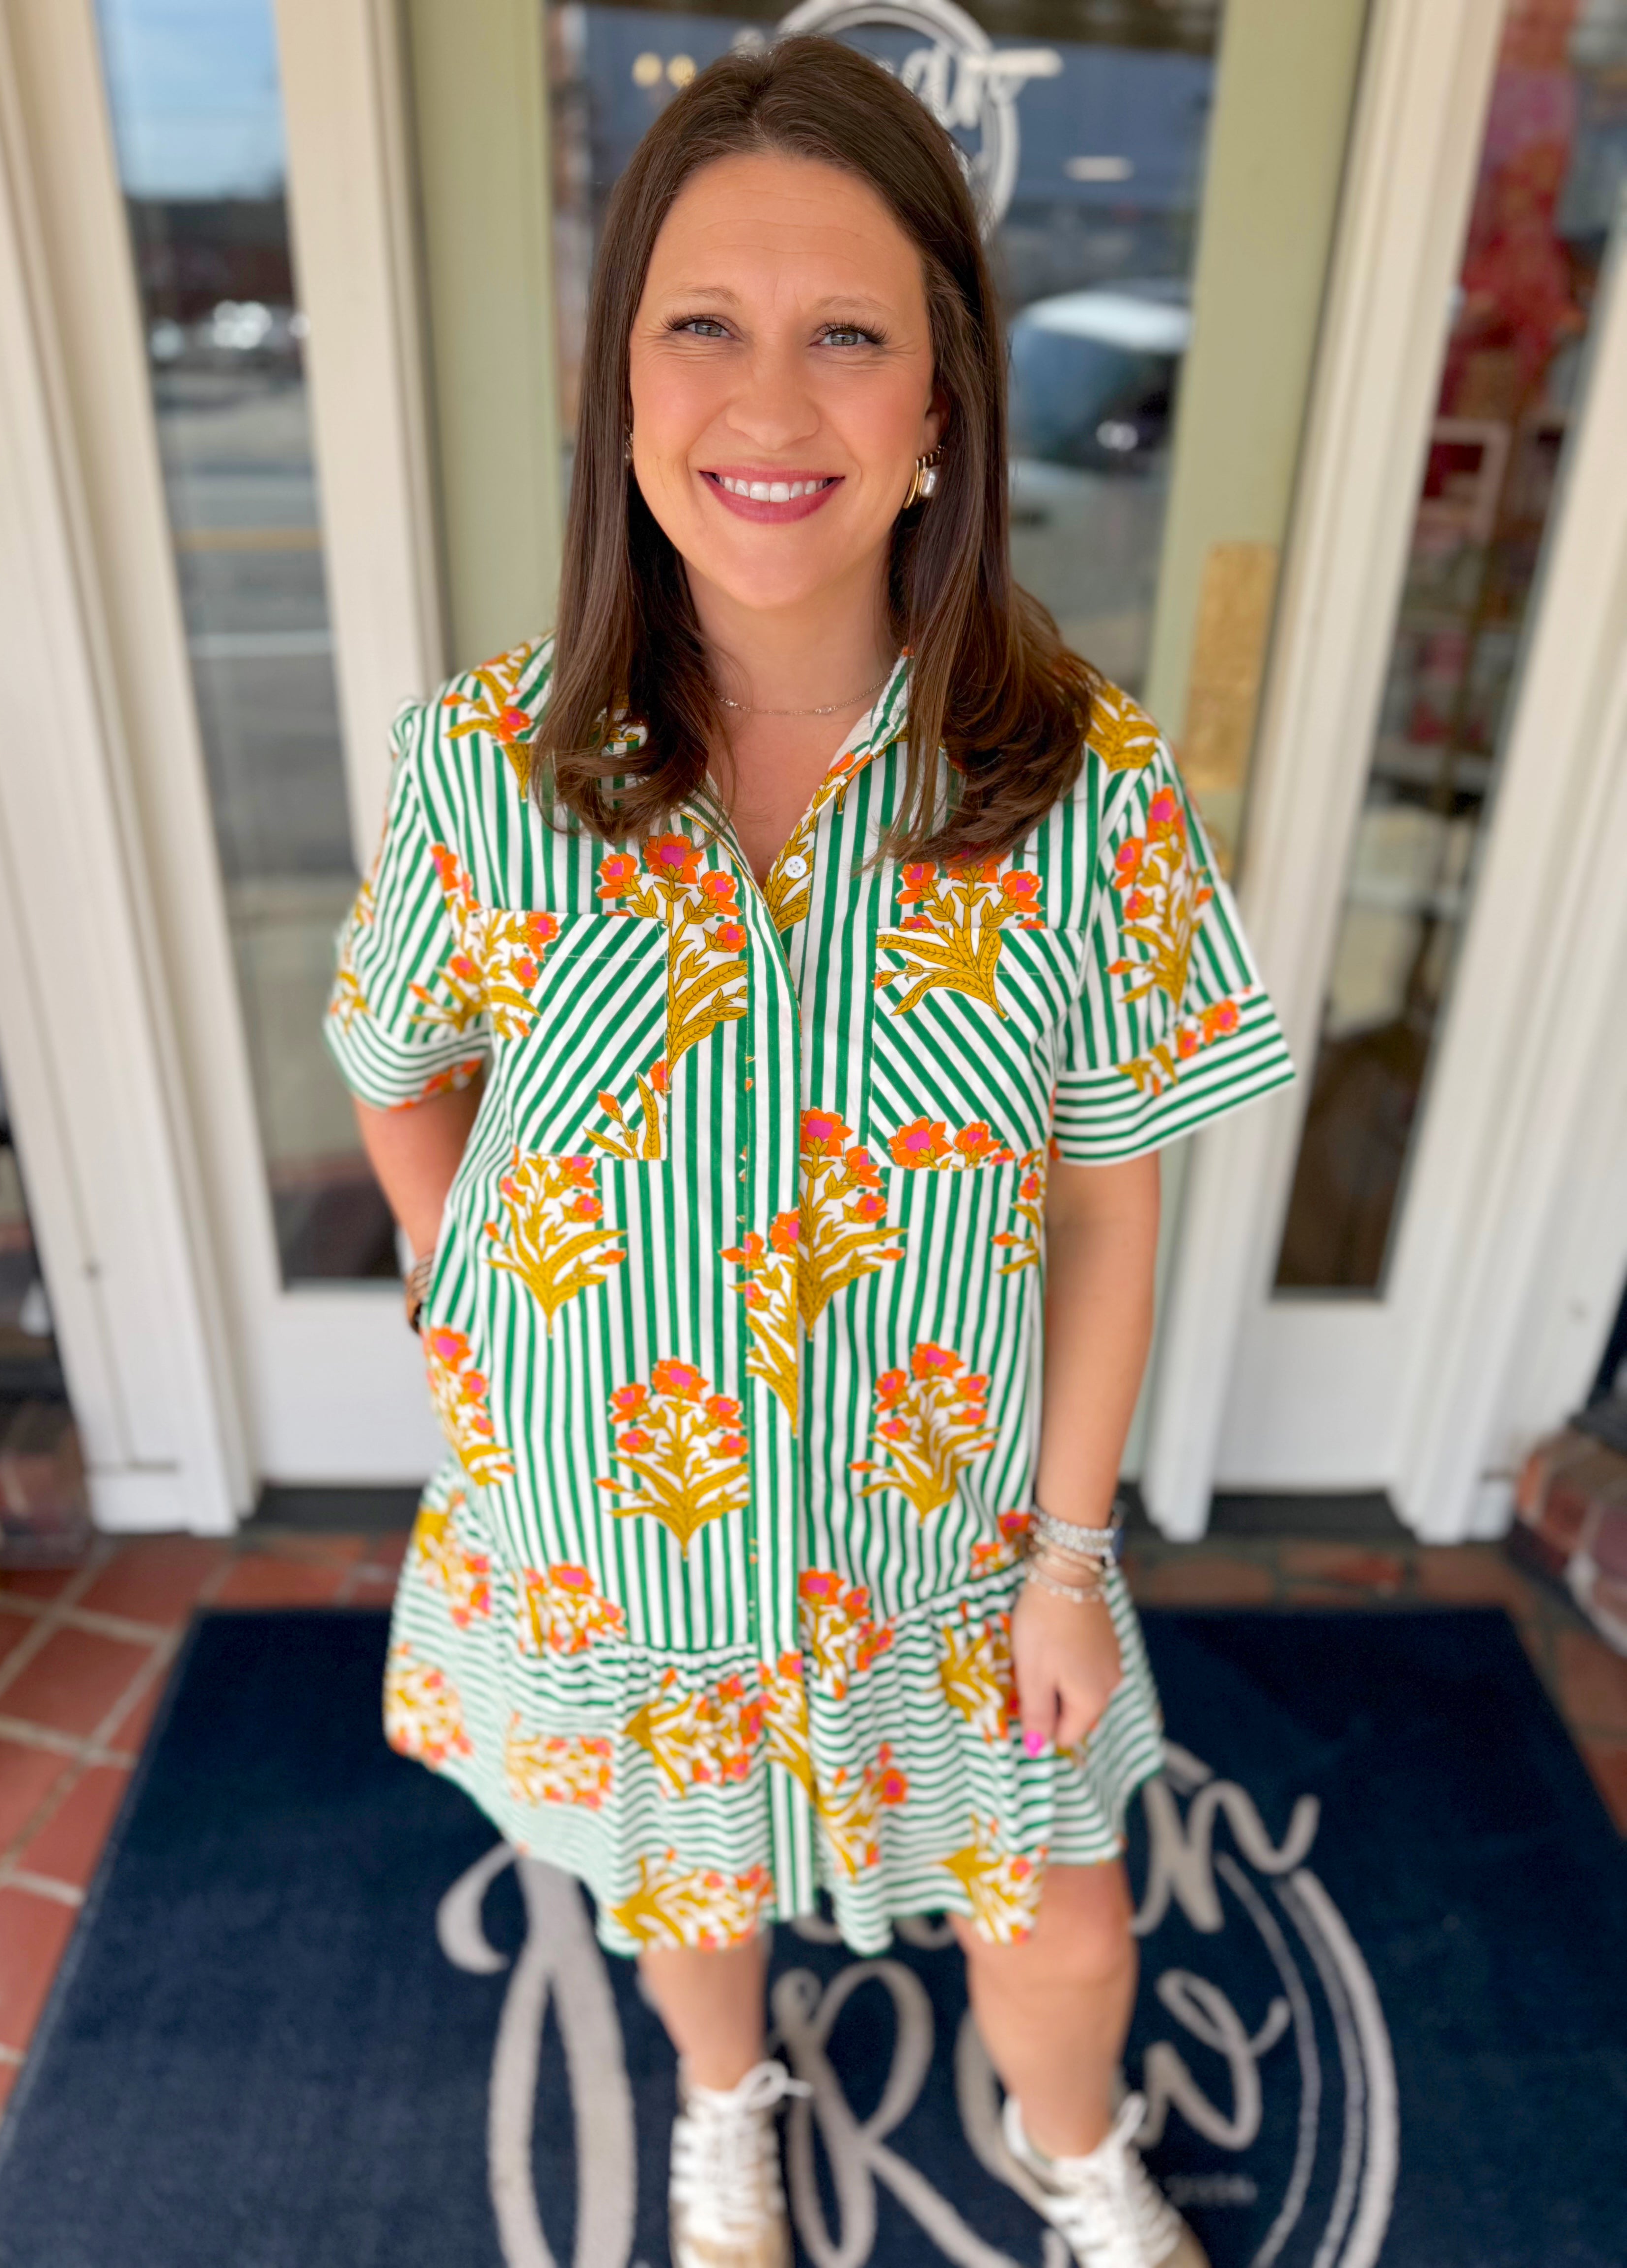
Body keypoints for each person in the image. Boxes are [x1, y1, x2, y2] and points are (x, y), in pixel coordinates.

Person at [326, 36, 1293, 2268]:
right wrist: (453, 1291)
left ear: (938, 403)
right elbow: (395, 1062)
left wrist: (1065, 1559)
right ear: (622, 384)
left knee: (1054, 1919)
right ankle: (725, 2103)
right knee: (690, 1890)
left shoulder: (1075, 782)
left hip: (947, 1544)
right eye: (705, 327)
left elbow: (1108, 1200)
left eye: (846, 335)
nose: (771, 405)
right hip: (611, 1516)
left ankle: (1072, 2163)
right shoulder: (493, 763)